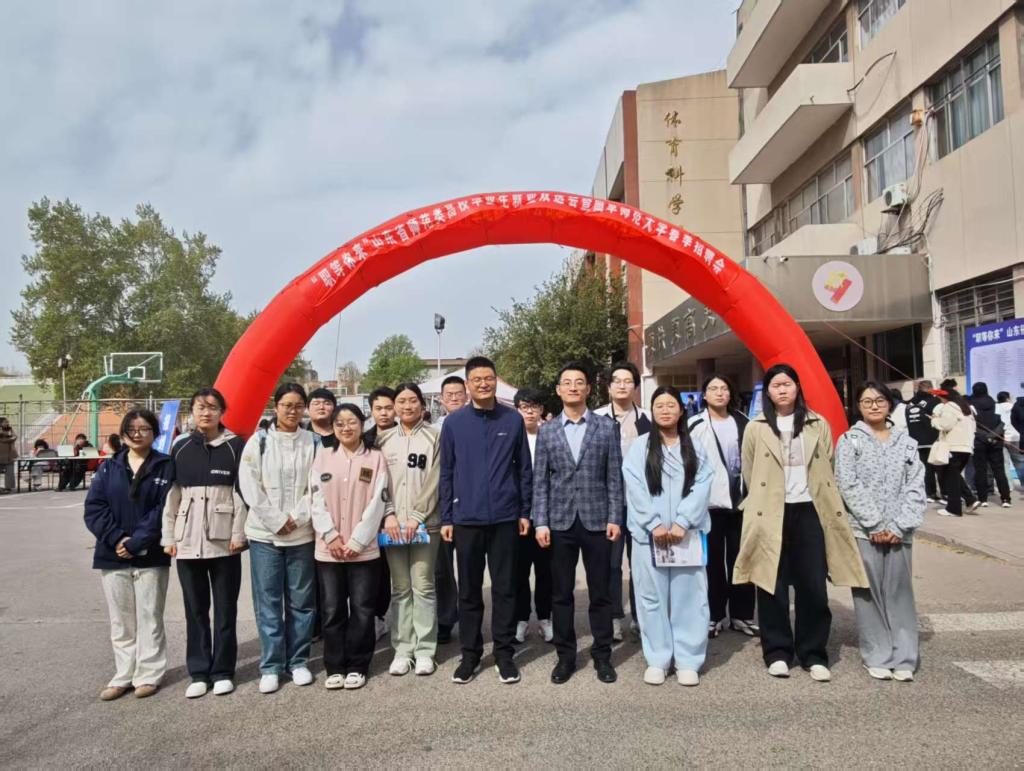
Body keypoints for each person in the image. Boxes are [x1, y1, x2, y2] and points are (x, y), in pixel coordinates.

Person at [734, 363, 868, 682]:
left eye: (787, 384)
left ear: (797, 388)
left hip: (810, 510)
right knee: (771, 583)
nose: (782, 390)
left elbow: (828, 463)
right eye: (776, 385)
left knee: (813, 585)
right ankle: (777, 651)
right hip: (771, 511)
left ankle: (813, 653)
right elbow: (750, 470)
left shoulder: (816, 423)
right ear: (767, 392)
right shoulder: (756, 427)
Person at [439, 356, 532, 685]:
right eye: (477, 379)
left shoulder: (513, 419)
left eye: (488, 378)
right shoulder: (454, 423)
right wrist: (447, 516)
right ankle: (470, 654)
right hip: (467, 519)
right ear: (467, 384)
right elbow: (447, 472)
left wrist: (524, 511)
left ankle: (504, 654)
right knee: (469, 591)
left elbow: (524, 469)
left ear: (495, 380)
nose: (483, 384)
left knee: (505, 588)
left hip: (505, 518)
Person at [533, 361, 623, 685]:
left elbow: (614, 477)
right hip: (559, 523)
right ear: (558, 390)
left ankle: (603, 655)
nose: (573, 387)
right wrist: (540, 522)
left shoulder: (606, 428)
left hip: (597, 520)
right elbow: (540, 480)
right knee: (561, 594)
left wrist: (615, 517)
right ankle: (565, 657)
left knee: (600, 593)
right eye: (567, 382)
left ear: (588, 389)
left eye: (579, 382)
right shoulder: (547, 431)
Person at [623, 386, 713, 685]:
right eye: (659, 405)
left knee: (690, 597)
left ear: (681, 410)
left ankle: (688, 659)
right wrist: (654, 524)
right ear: (652, 411)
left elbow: (703, 484)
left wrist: (683, 522)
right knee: (651, 598)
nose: (665, 410)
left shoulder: (695, 446)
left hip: (686, 536)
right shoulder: (640, 447)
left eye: (671, 405)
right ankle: (658, 658)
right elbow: (635, 488)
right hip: (650, 537)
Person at [835, 382, 924, 682]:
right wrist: (874, 523)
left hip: (900, 531)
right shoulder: (849, 441)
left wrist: (899, 525)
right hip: (864, 531)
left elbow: (916, 486)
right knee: (868, 594)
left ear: (889, 404)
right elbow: (847, 483)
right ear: (858, 406)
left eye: (880, 400)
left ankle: (904, 656)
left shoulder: (907, 443)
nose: (874, 406)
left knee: (900, 592)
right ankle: (877, 654)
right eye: (867, 401)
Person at [162, 388, 247, 699]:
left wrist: (238, 534)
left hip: (225, 543)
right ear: (192, 411)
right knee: (195, 610)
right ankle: (199, 671)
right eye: (201, 407)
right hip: (187, 541)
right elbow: (171, 495)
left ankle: (223, 671)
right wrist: (168, 536)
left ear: (222, 412)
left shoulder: (235, 446)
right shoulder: (180, 446)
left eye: (213, 407)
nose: (206, 412)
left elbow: (241, 494)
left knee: (225, 609)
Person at [83, 409, 173, 700]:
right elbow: (95, 508)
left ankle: (148, 674)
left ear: (155, 433)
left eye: (144, 428)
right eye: (131, 429)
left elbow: (165, 508)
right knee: (121, 620)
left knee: (150, 616)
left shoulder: (165, 466)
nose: (137, 434)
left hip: (151, 554)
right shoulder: (109, 468)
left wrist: (137, 541)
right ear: (122, 434)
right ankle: (123, 674)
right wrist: (117, 538)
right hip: (112, 554)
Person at [239, 383, 320, 694]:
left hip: (301, 534)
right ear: (276, 406)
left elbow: (317, 486)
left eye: (299, 405)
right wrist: (275, 520)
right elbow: (250, 485)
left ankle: (298, 661)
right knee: (268, 602)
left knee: (301, 602)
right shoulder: (259, 441)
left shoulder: (313, 442)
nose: (293, 410)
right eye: (287, 405)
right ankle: (271, 665)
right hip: (264, 536)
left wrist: (296, 518)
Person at [311, 403, 392, 691]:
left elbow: (378, 502)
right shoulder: (322, 457)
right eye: (340, 423)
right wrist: (330, 535)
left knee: (362, 608)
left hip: (364, 550)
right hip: (329, 550)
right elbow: (315, 499)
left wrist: (358, 540)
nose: (346, 428)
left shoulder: (376, 458)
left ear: (362, 423)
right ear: (333, 427)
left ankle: (358, 665)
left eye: (352, 422)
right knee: (332, 609)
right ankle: (334, 666)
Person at [377, 382, 442, 677]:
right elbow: (377, 482)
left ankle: (425, 650)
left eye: (412, 400)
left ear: (422, 405)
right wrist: (389, 514)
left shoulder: (435, 436)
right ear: (394, 406)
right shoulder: (382, 439)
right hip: (392, 526)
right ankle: (403, 649)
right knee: (400, 587)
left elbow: (436, 479)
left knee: (424, 586)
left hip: (425, 524)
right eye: (401, 401)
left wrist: (417, 516)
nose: (407, 406)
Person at [688, 373, 756, 638]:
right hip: (710, 505)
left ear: (730, 393)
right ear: (704, 395)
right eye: (713, 388)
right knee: (712, 563)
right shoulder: (695, 424)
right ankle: (714, 614)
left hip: (741, 504)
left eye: (724, 388)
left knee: (742, 559)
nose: (719, 392)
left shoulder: (744, 422)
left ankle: (741, 614)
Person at [594, 361, 651, 642]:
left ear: (635, 387)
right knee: (611, 565)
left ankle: (641, 617)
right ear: (608, 386)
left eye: (628, 381)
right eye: (616, 380)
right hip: (608, 505)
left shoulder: (648, 419)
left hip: (641, 503)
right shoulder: (596, 418)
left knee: (641, 564)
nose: (622, 385)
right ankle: (614, 617)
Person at [513, 387, 553, 643]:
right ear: (517, 409)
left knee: (546, 570)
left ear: (541, 410)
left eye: (534, 407)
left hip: (546, 515)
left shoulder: (550, 435)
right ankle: (521, 618)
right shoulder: (511, 436)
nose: (529, 412)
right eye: (524, 407)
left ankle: (545, 617)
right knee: (519, 571)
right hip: (518, 515)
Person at [364, 386, 398, 640]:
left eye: (388, 407)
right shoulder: (365, 439)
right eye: (379, 408)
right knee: (377, 569)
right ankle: (378, 616)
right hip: (371, 513)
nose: (384, 413)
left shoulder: (405, 434)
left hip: (402, 511)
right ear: (371, 410)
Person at [433, 378, 465, 644]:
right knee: (441, 569)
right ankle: (444, 620)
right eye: (449, 394)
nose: (453, 398)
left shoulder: (474, 424)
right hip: (439, 508)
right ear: (441, 399)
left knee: (470, 568)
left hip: (467, 507)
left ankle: (470, 619)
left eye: (458, 393)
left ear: (466, 396)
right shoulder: (433, 430)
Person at [931, 388, 980, 517]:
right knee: (954, 475)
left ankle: (953, 509)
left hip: (954, 447)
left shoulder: (949, 407)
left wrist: (934, 419)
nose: (940, 401)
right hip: (966, 447)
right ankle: (970, 500)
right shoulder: (967, 409)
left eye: (940, 398)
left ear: (945, 398)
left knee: (950, 477)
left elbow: (945, 425)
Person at [969, 382, 1010, 507]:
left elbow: (971, 424)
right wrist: (992, 436)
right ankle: (1005, 499)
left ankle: (983, 499)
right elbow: (1003, 423)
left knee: (980, 470)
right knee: (999, 470)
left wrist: (983, 436)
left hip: (978, 441)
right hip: (996, 441)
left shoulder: (971, 406)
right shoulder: (996, 405)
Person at [905, 380, 942, 501]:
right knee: (939, 467)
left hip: (915, 440)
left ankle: (929, 493)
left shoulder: (910, 403)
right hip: (932, 439)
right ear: (930, 388)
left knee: (924, 468)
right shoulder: (934, 401)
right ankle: (944, 493)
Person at [996, 391, 1024, 492]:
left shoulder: (995, 408)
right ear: (1008, 398)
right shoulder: (1015, 406)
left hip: (1001, 438)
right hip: (1016, 437)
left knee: (1005, 464)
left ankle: (1008, 486)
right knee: (1020, 462)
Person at [0, 417, 17, 494]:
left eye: (7, 422)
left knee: (10, 472)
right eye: (5, 422)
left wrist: (7, 437)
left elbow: (15, 436)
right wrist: (9, 437)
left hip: (10, 454)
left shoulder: (10, 429)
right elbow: (3, 439)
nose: (7, 423)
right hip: (1, 454)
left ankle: (9, 487)